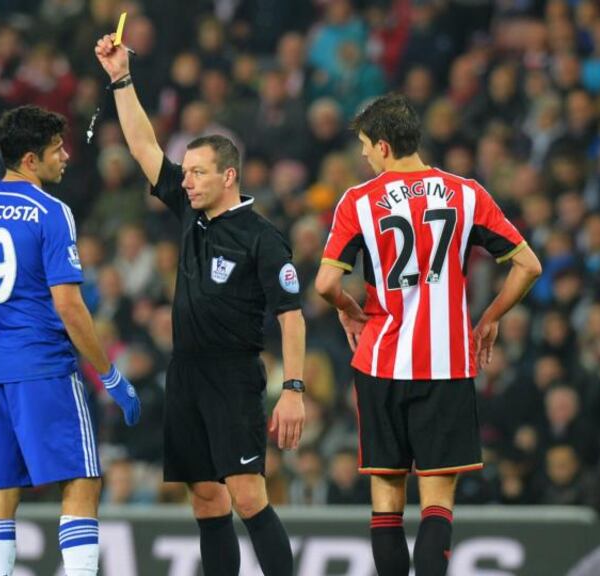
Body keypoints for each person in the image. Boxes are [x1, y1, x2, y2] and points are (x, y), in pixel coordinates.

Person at [96, 35, 306, 576]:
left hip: (233, 375)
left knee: (247, 494)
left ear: (228, 176)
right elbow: (144, 147)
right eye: (184, 172)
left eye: (197, 172)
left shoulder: (263, 238)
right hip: (185, 373)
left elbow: (292, 315)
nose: (184, 180)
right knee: (206, 500)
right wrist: (121, 79)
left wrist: (294, 391)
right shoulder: (192, 216)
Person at [313, 94, 543, 576]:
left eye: (363, 146)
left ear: (382, 146)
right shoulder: (467, 194)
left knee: (387, 499)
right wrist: (490, 318)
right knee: (437, 500)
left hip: (381, 363)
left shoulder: (358, 201)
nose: (362, 156)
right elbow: (527, 266)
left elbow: (326, 284)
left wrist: (350, 311)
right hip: (446, 362)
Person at [0, 105, 140, 576]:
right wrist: (109, 375)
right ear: (31, 161)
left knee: (0, 494)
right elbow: (69, 306)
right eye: (56, 149)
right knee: (82, 480)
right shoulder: (51, 212)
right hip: (43, 367)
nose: (66, 156)